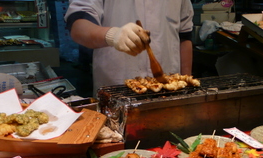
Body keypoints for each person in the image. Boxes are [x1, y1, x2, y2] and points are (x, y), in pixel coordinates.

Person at [64, 0, 194, 95]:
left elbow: (185, 36)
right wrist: (113, 35)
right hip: (116, 89)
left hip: (169, 91)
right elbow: (78, 27)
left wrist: (187, 88)